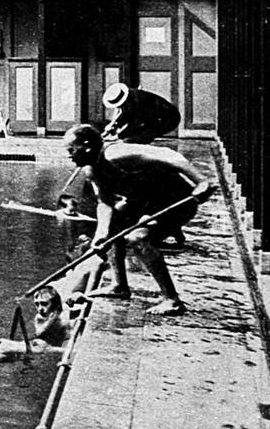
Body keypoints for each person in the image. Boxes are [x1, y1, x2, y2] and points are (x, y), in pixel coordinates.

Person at [63, 123, 213, 316]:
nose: (69, 156)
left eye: (71, 150)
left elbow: (167, 154)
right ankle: (119, 286)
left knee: (138, 238)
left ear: (87, 146)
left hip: (177, 200)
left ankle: (172, 300)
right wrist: (101, 235)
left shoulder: (116, 153)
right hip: (145, 202)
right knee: (112, 225)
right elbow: (105, 203)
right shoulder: (91, 170)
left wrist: (200, 180)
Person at [102, 83, 181, 144]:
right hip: (155, 116)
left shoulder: (137, 102)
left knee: (133, 139)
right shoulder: (130, 97)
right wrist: (115, 124)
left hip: (169, 118)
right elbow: (125, 113)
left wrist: (117, 136)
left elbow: (132, 124)